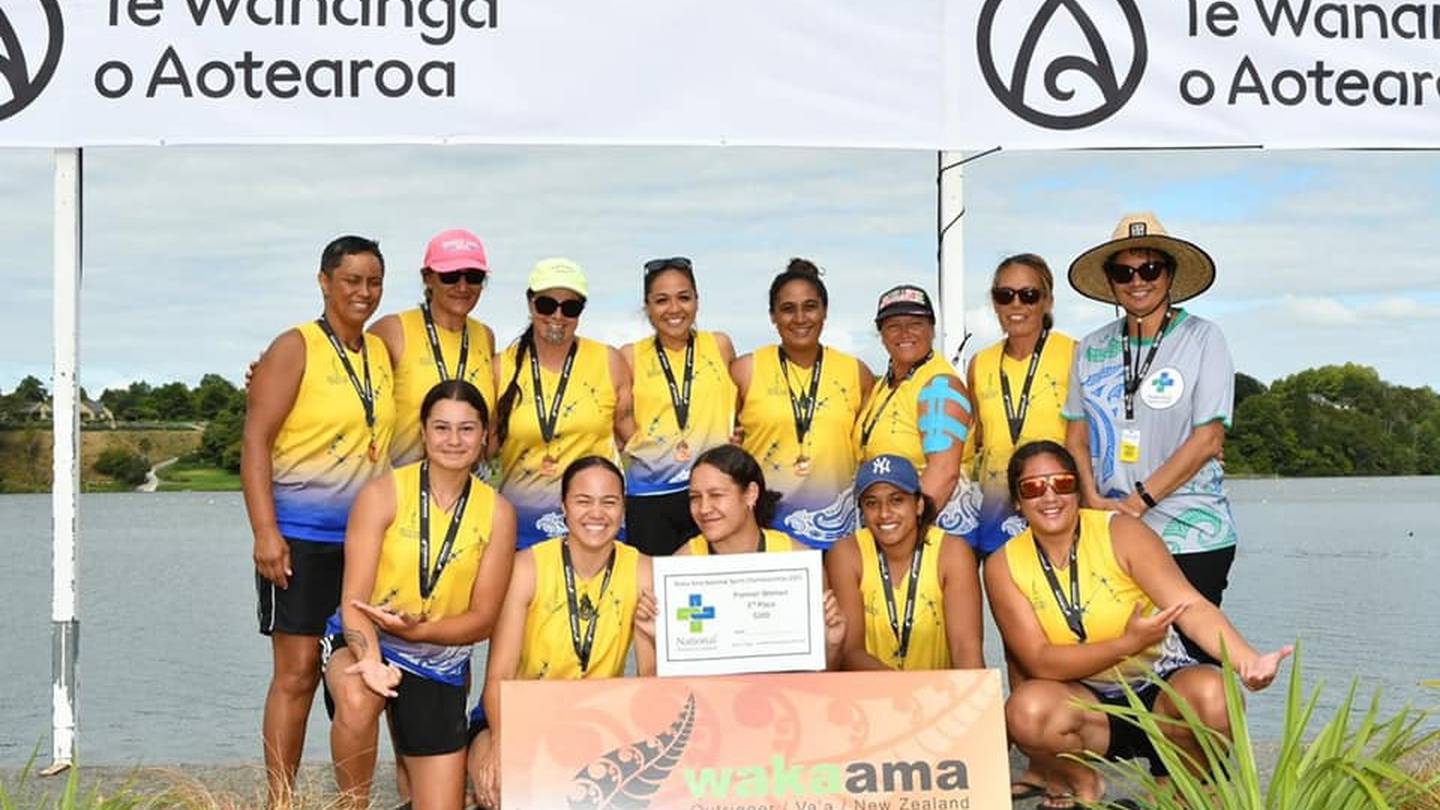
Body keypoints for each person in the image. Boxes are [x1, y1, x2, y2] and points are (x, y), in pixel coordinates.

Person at [986, 441, 1290, 807]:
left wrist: (1247, 662)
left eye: (1063, 483)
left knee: (1217, 695)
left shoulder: (1121, 531)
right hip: (1087, 702)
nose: (1050, 496)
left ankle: (1181, 786)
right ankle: (1083, 783)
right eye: (1034, 487)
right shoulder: (1003, 565)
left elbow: (1189, 605)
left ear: (1079, 489)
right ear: (1018, 501)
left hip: (1161, 686)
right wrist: (1125, 644)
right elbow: (1039, 660)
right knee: (1025, 711)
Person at [242, 235, 396, 807]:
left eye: (374, 281)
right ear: (325, 281)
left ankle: (349, 799)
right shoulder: (295, 346)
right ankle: (280, 798)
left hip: (365, 543)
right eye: (352, 280)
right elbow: (255, 441)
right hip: (301, 537)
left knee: (358, 671)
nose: (363, 292)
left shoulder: (378, 350)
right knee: (298, 672)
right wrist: (265, 530)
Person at [320, 380, 516, 810]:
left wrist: (420, 629)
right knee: (359, 695)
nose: (453, 440)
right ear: (424, 432)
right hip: (367, 637)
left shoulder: (498, 513)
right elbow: (354, 600)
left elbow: (483, 620)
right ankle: (351, 805)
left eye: (467, 429)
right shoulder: (383, 494)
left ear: (484, 435)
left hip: (438, 657)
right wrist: (370, 660)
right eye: (441, 427)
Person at [1063, 213, 1238, 665]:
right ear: (1110, 281)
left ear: (1170, 274)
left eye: (1149, 269)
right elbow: (1075, 435)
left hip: (1190, 531)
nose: (1136, 281)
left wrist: (1139, 501)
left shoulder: (1203, 339)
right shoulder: (1090, 347)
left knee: (1197, 665)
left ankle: (1212, 736)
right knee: (1128, 663)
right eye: (1123, 272)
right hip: (1111, 532)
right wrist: (1092, 500)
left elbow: (1207, 439)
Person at [467, 456, 656, 809]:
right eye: (583, 501)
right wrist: (500, 744)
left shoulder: (643, 570)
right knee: (501, 787)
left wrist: (653, 635)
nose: (596, 513)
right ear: (564, 506)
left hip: (599, 718)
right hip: (515, 713)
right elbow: (499, 675)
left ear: (623, 507)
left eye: (609, 502)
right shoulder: (527, 567)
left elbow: (651, 680)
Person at [963, 255, 1076, 801]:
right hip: (992, 512)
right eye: (1005, 295)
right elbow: (978, 438)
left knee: (1054, 634)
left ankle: (1063, 757)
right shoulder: (980, 364)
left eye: (1028, 295)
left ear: (1048, 300)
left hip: (1050, 508)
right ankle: (1036, 760)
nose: (1016, 306)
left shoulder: (1073, 354)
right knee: (1014, 640)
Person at [493, 258, 635, 549]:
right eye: (547, 304)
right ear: (531, 303)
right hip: (522, 527)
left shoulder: (609, 362)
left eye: (571, 307)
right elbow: (485, 448)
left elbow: (634, 439)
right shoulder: (500, 368)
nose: (558, 315)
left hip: (596, 526)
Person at [733, 258, 874, 549]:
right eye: (787, 309)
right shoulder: (746, 369)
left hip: (836, 532)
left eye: (810, 306)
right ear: (773, 316)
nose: (800, 318)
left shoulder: (855, 372)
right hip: (766, 532)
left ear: (824, 311)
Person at [621, 257, 737, 555]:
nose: (674, 309)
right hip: (651, 496)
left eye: (683, 298)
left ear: (697, 301)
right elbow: (621, 422)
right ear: (647, 306)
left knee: (714, 590)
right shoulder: (630, 356)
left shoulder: (720, 345)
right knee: (657, 590)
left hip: (712, 491)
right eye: (662, 300)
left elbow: (739, 406)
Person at [827, 454, 983, 672]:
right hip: (869, 696)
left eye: (896, 500)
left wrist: (971, 703)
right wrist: (905, 693)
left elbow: (965, 649)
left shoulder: (952, 552)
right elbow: (851, 652)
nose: (884, 513)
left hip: (939, 697)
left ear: (918, 504)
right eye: (872, 503)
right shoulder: (846, 553)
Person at [852, 284, 978, 541]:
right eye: (893, 325)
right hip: (893, 527)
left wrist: (905, 536)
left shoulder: (939, 386)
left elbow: (943, 473)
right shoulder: (887, 384)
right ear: (881, 334)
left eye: (915, 324)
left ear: (932, 329)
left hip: (929, 534)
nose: (904, 333)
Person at [370, 229, 497, 467]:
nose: (462, 287)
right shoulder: (393, 330)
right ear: (428, 278)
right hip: (403, 487)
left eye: (473, 276)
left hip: (466, 487)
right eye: (450, 276)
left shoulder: (485, 336)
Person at [676, 444, 804, 556]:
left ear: (751, 494)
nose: (704, 509)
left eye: (716, 495)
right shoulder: (678, 567)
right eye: (695, 497)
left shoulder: (796, 558)